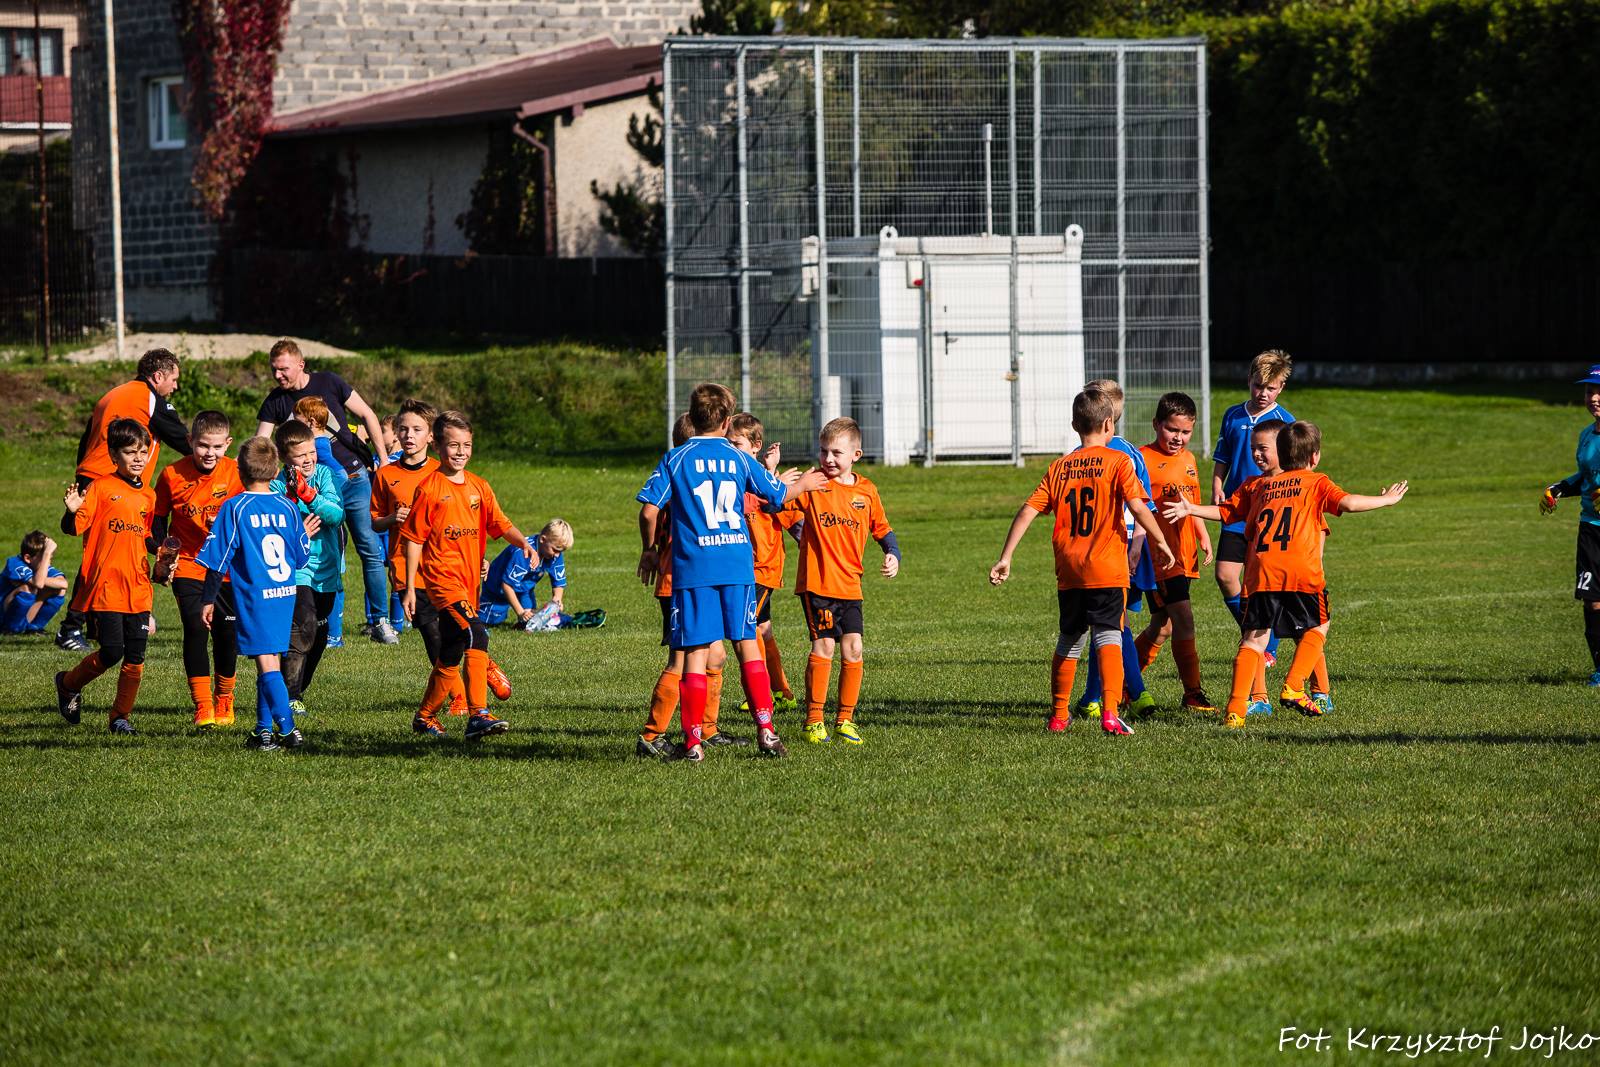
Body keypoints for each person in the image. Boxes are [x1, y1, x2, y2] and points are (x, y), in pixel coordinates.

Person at [1166, 421, 1407, 728]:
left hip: (1261, 572)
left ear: (1280, 452)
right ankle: (1294, 686)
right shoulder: (1315, 482)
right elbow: (1347, 502)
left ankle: (1236, 711)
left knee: (1254, 640)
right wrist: (1386, 500)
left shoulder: (1258, 486)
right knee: (1318, 626)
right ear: (1315, 457)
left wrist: (1192, 509)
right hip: (1299, 571)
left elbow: (1227, 512)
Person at [635, 383, 826, 762]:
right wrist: (804, 483)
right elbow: (776, 495)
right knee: (747, 645)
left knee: (694, 653)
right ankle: (766, 731)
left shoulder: (676, 458)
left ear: (692, 417)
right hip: (737, 564)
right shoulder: (738, 458)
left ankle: (692, 743)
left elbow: (648, 511)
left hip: (694, 568)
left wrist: (649, 550)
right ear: (726, 422)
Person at [989, 390, 1175, 736]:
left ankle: (1059, 715)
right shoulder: (1118, 462)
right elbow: (1137, 507)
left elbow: (1028, 510)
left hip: (1070, 570)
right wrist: (1160, 541)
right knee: (1109, 636)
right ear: (1109, 425)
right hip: (1107, 567)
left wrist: (1006, 557)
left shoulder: (1059, 467)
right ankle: (1110, 713)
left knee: (1070, 640)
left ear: (1075, 425)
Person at [401, 411, 534, 741]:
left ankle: (425, 717)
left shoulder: (479, 486)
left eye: (467, 445)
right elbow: (414, 539)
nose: (460, 452)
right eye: (453, 445)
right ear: (438, 446)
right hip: (442, 581)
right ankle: (478, 715)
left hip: (470, 582)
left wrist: (523, 543)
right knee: (477, 635)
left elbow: (500, 523)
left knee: (451, 650)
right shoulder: (429, 489)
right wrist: (410, 587)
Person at [253, 339, 396, 644]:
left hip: (354, 479)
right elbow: (262, 444)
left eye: (283, 369)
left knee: (370, 548)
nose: (278, 375)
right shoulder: (275, 401)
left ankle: (381, 621)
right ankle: (331, 631)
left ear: (300, 364)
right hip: (312, 488)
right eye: (274, 370)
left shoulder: (329, 381)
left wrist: (383, 460)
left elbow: (367, 415)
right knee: (333, 556)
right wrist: (263, 478)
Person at [57, 348, 189, 652]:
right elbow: (184, 440)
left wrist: (84, 478)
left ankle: (96, 624)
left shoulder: (112, 394)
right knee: (100, 557)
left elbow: (86, 439)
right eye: (173, 379)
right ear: (158, 376)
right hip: (111, 484)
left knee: (108, 553)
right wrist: (213, 460)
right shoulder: (149, 398)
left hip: (96, 478)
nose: (175, 386)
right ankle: (71, 627)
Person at [780, 416, 900, 746]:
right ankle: (813, 720)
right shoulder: (814, 484)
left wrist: (892, 554)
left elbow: (882, 528)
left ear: (856, 455)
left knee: (854, 647)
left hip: (850, 585)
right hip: (818, 583)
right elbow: (779, 505)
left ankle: (845, 720)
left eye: (836, 452)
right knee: (825, 646)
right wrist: (780, 482)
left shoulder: (866, 491)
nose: (828, 459)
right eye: (823, 451)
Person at [196, 437, 313, 751]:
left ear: (239, 470)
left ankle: (288, 729)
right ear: (275, 472)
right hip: (285, 593)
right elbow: (302, 557)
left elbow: (217, 559)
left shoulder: (235, 507)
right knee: (270, 658)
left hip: (255, 597)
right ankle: (263, 730)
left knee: (266, 663)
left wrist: (208, 599)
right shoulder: (288, 507)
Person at [53, 418, 157, 735]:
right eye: (129, 452)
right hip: (107, 586)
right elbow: (73, 528)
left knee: (136, 657)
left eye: (143, 452)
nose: (138, 458)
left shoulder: (149, 495)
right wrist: (71, 510)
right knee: (112, 651)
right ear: (113, 455)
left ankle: (120, 717)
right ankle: (68, 683)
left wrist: (161, 552)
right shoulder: (101, 487)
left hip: (138, 586)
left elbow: (145, 535)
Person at [372, 399, 465, 716]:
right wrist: (393, 518)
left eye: (417, 429)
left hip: (442, 565)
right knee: (431, 634)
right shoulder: (386, 475)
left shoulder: (443, 471)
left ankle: (479, 675)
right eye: (403, 429)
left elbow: (460, 518)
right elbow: (375, 521)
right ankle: (458, 697)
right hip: (405, 568)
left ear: (431, 436)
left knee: (456, 630)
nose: (409, 435)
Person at [151, 410, 244, 727]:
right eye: (203, 445)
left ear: (228, 444)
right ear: (190, 441)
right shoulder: (171, 475)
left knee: (226, 633)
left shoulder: (238, 474)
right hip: (190, 565)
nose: (210, 453)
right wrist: (163, 553)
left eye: (217, 446)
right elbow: (158, 520)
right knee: (195, 626)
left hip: (228, 567)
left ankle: (224, 698)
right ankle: (203, 706)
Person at [1073, 379, 1157, 719]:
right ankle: (1093, 697)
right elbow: (1144, 505)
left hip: (1108, 548)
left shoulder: (1094, 456)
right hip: (1124, 546)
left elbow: (1138, 505)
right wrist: (1141, 544)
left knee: (1112, 624)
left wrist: (1135, 545)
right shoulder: (1130, 452)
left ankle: (1136, 692)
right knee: (1108, 622)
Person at [1212, 350, 1295, 669]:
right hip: (1236, 509)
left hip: (1268, 512)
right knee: (1225, 575)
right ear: (1249, 381)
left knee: (1260, 581)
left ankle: (1266, 646)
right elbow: (1223, 456)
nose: (1263, 393)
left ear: (1281, 388)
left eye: (1271, 388)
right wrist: (1217, 485)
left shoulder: (1286, 422)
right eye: (1258, 386)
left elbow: (1294, 471)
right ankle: (1254, 632)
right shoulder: (1233, 415)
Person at [1134, 391, 1216, 712]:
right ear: (1156, 424)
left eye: (1185, 432)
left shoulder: (1189, 460)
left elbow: (1191, 503)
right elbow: (1136, 507)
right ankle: (1192, 693)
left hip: (1185, 553)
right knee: (1183, 620)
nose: (1178, 438)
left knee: (1163, 626)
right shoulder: (1141, 459)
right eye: (1172, 429)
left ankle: (1125, 683)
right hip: (1160, 556)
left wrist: (1202, 534)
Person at [269, 421, 344, 718]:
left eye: (312, 452)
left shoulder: (324, 475)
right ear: (284, 458)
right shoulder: (276, 486)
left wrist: (309, 495)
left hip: (326, 569)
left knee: (320, 633)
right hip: (296, 569)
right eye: (301, 456)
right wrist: (299, 531)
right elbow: (275, 530)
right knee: (303, 625)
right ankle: (290, 695)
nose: (309, 459)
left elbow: (336, 516)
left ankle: (297, 689)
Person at [635, 414, 699, 759]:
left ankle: (703, 730)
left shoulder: (675, 467)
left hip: (686, 577)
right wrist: (650, 550)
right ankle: (653, 734)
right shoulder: (688, 470)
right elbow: (649, 512)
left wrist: (650, 548)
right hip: (680, 579)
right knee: (683, 659)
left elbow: (651, 514)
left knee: (711, 655)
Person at [728, 413, 800, 712]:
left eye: (736, 444)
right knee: (763, 628)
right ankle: (782, 691)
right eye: (727, 444)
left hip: (762, 569)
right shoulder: (735, 477)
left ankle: (762, 696)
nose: (731, 450)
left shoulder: (767, 482)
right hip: (745, 568)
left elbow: (793, 520)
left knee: (747, 629)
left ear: (756, 446)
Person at [1540, 363, 1600, 686]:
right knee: (1593, 600)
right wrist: (1559, 489)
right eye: (1590, 391)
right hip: (1590, 528)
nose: (1594, 398)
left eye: (1599, 392)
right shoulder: (1586, 436)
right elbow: (1586, 478)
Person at [478, 520, 572, 627]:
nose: (557, 555)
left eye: (561, 551)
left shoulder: (554, 554)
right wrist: (520, 612)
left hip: (524, 589)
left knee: (531, 621)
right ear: (542, 539)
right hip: (497, 588)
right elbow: (507, 585)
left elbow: (558, 581)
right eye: (555, 550)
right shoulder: (523, 553)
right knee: (488, 621)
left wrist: (557, 598)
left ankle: (524, 624)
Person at [2, 531, 67, 635]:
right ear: (27, 558)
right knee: (27, 588)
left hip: (22, 616)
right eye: (44, 559)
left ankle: (33, 627)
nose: (48, 563)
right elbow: (38, 583)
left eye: (49, 558)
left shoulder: (41, 567)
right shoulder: (15, 563)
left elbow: (63, 584)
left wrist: (39, 579)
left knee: (59, 590)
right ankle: (10, 629)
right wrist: (46, 553)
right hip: (3, 615)